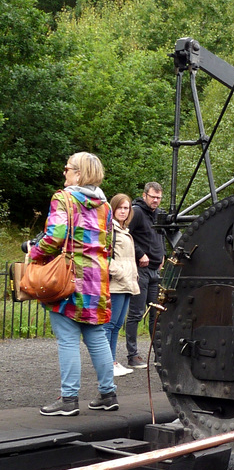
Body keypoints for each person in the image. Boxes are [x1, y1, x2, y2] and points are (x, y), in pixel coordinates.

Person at [29, 152, 118, 416]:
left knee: (67, 340)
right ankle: (108, 394)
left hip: (69, 279)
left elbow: (55, 236)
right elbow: (109, 245)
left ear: (78, 173)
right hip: (97, 281)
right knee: (97, 336)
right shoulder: (106, 206)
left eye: (67, 168)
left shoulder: (63, 198)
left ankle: (68, 400)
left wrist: (33, 253)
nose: (64, 173)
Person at [124, 181, 165, 369]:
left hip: (155, 269)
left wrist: (162, 253)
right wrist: (140, 253)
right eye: (153, 197)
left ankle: (158, 352)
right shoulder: (137, 212)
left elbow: (159, 236)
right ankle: (132, 355)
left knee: (155, 313)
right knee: (136, 312)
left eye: (158, 197)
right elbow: (126, 235)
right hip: (141, 269)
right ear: (145, 195)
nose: (156, 200)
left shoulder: (158, 214)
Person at [105, 194, 140, 377]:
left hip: (126, 282)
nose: (123, 211)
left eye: (126, 208)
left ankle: (112, 361)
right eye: (120, 207)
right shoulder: (110, 230)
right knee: (110, 325)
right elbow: (104, 256)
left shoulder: (124, 230)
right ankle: (107, 362)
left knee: (117, 325)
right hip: (116, 283)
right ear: (113, 208)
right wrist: (118, 272)